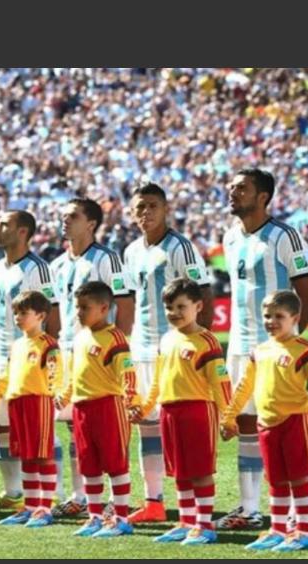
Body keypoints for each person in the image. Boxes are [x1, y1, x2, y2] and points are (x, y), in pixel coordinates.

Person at [216, 167, 308, 531]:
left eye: (241, 188)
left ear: (263, 197)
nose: (232, 193)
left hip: (276, 348)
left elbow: (307, 293)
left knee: (282, 421)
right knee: (246, 421)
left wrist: (287, 344)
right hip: (241, 343)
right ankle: (249, 507)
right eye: (231, 187)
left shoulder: (284, 236)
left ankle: (294, 508)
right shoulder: (230, 237)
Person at [222, 290, 308, 552]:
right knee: (275, 480)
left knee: (298, 478)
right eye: (267, 316)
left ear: (295, 318)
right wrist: (230, 415)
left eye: (279, 316)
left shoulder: (304, 351)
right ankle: (277, 529)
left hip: (296, 421)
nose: (271, 321)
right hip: (267, 424)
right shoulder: (260, 351)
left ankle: (304, 531)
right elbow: (243, 386)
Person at [124, 183, 214, 524]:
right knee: (146, 425)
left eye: (152, 206)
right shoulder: (132, 251)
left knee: (178, 428)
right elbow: (134, 303)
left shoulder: (181, 248)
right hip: (142, 347)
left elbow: (202, 296)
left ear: (165, 209)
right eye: (139, 207)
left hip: (175, 352)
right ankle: (154, 502)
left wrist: (197, 343)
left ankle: (191, 512)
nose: (145, 213)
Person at [51, 197, 132, 518]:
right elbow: (56, 313)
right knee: (75, 427)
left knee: (107, 431)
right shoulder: (57, 264)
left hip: (100, 353)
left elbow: (124, 305)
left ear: (92, 224)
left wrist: (119, 346)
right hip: (68, 352)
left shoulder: (106, 259)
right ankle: (80, 495)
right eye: (63, 216)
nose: (65, 221)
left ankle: (115, 498)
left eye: (72, 216)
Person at [141, 279, 231, 546]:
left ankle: (204, 525)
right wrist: (146, 407)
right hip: (169, 411)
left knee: (200, 470)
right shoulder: (167, 340)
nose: (174, 312)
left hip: (198, 410)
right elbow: (158, 380)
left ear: (198, 306)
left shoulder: (207, 341)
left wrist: (228, 417)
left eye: (182, 306)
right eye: (169, 307)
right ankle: (186, 521)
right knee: (179, 470)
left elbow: (220, 383)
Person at [0, 210, 61, 512]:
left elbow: (50, 316)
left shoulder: (37, 269)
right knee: (1, 426)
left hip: (30, 357)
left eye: (4, 224)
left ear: (22, 232)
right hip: (0, 354)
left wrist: (44, 356)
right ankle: (16, 492)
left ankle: (50, 494)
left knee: (39, 431)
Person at [57, 281, 142, 538]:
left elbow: (127, 373)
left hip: (108, 406)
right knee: (89, 465)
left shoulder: (116, 338)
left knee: (116, 464)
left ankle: (121, 518)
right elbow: (74, 374)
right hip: (82, 409)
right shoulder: (80, 337)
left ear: (104, 308)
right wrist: (65, 396)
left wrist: (132, 402)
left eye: (85, 308)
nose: (79, 313)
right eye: (77, 307)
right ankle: (94, 516)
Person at [0, 290, 62, 528]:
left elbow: (56, 372)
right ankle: (30, 507)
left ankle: (45, 507)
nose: (18, 318)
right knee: (27, 456)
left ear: (41, 315)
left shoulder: (49, 344)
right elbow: (8, 374)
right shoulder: (17, 345)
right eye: (16, 313)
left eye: (23, 313)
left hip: (38, 402)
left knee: (43, 454)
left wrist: (55, 392)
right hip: (16, 403)